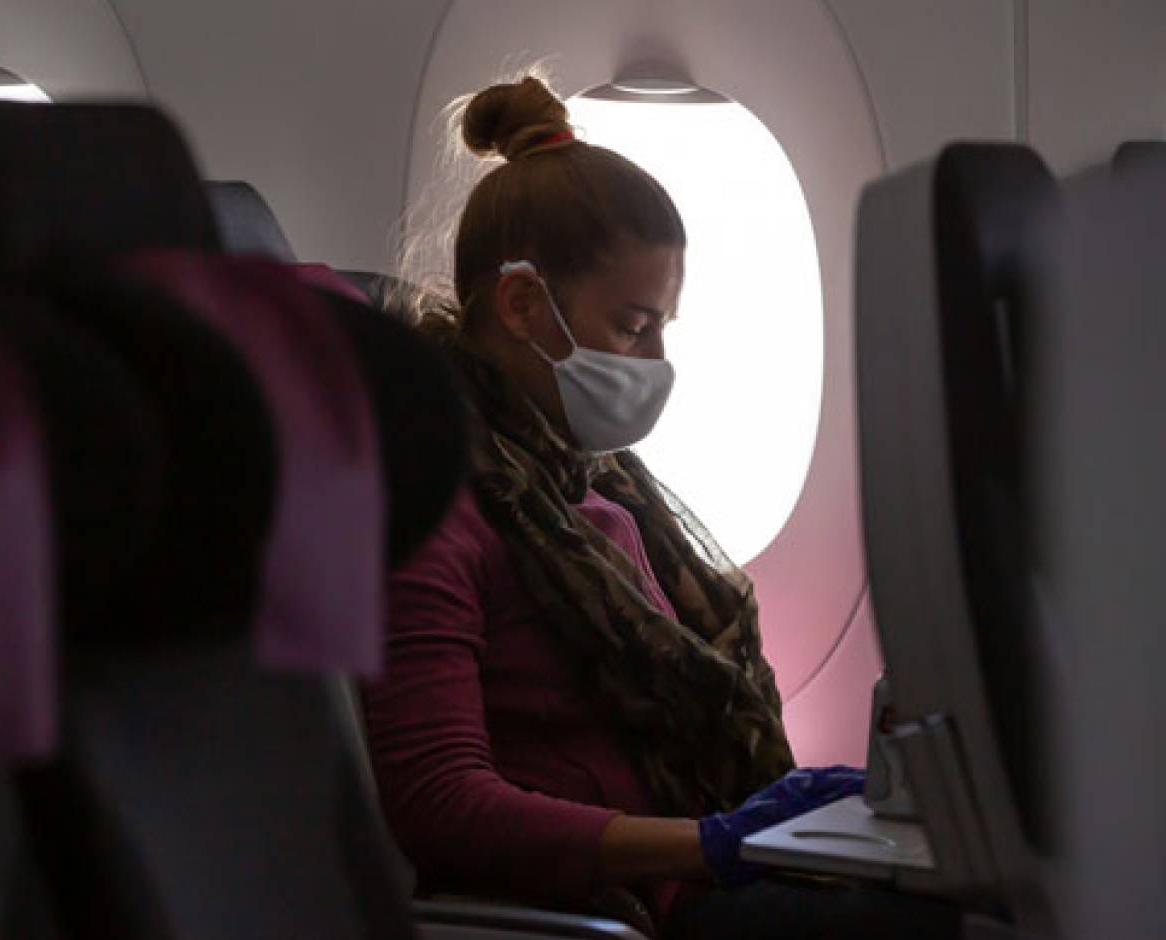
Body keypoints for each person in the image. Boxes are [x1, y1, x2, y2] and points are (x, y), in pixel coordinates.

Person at [359, 75, 961, 939]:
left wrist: (799, 819)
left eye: (665, 326)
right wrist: (710, 845)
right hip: (607, 906)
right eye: (635, 326)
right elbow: (441, 806)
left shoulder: (597, 494)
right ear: (523, 305)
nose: (657, 359)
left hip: (686, 882)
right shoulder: (429, 513)